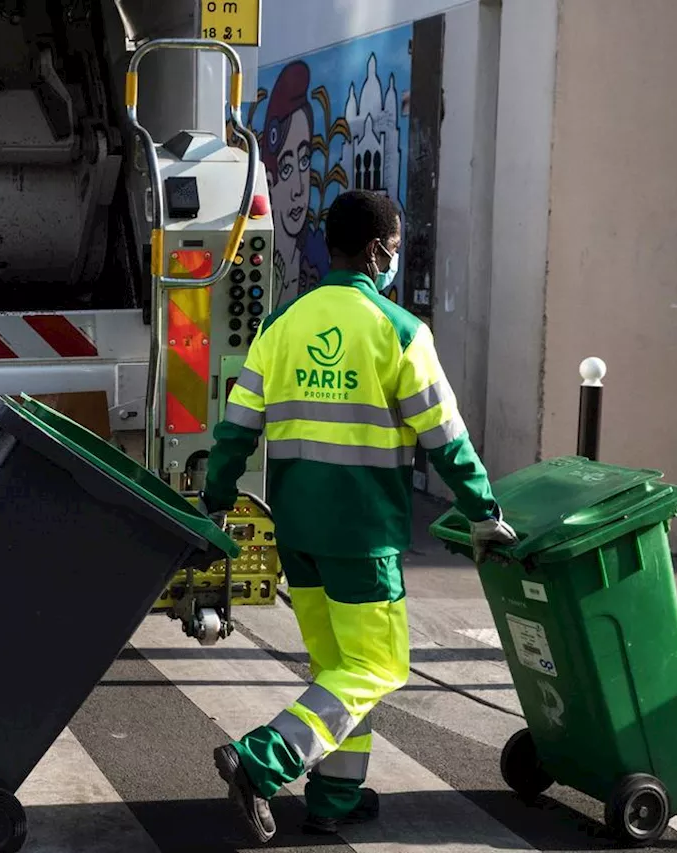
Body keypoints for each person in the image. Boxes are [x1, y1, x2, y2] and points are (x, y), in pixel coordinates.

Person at [198, 189, 517, 842]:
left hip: (299, 533)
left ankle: (335, 796)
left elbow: (235, 428)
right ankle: (263, 760)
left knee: (339, 672)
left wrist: (217, 500)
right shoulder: (399, 332)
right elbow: (446, 439)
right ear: (377, 252)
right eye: (395, 250)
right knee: (375, 667)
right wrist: (484, 512)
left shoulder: (282, 324)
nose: (394, 260)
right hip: (362, 535)